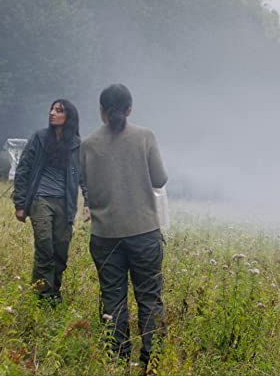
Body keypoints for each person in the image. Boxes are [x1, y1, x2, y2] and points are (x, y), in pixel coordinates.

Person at [81, 84, 168, 370]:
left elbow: (87, 186)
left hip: (105, 234)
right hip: (143, 231)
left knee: (113, 300)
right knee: (149, 297)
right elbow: (159, 179)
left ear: (101, 110)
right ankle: (151, 361)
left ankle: (117, 361)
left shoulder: (88, 144)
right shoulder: (145, 137)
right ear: (129, 109)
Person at [12, 99, 86, 304]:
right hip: (40, 199)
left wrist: (88, 201)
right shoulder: (40, 138)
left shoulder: (76, 145)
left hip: (65, 203)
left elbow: (83, 175)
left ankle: (54, 292)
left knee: (60, 250)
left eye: (59, 110)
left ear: (69, 117)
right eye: (52, 109)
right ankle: (43, 297)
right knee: (45, 247)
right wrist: (20, 204)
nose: (52, 113)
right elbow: (23, 169)